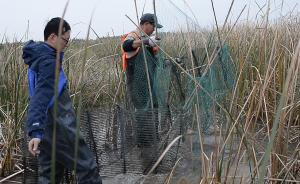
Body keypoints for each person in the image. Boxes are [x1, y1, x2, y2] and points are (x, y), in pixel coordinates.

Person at [22, 17, 102, 184]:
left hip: (46, 128)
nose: (67, 44)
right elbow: (41, 95)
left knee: (49, 173)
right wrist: (35, 131)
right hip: (59, 126)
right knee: (87, 169)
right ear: (52, 37)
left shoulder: (38, 58)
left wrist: (38, 131)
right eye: (65, 39)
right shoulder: (49, 62)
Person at [121, 13, 163, 151]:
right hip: (137, 86)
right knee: (142, 112)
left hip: (149, 85)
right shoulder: (134, 35)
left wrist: (152, 46)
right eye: (153, 27)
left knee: (153, 108)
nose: (154, 30)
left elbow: (153, 60)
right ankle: (144, 146)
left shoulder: (147, 37)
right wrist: (146, 42)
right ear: (146, 24)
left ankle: (152, 140)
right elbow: (126, 46)